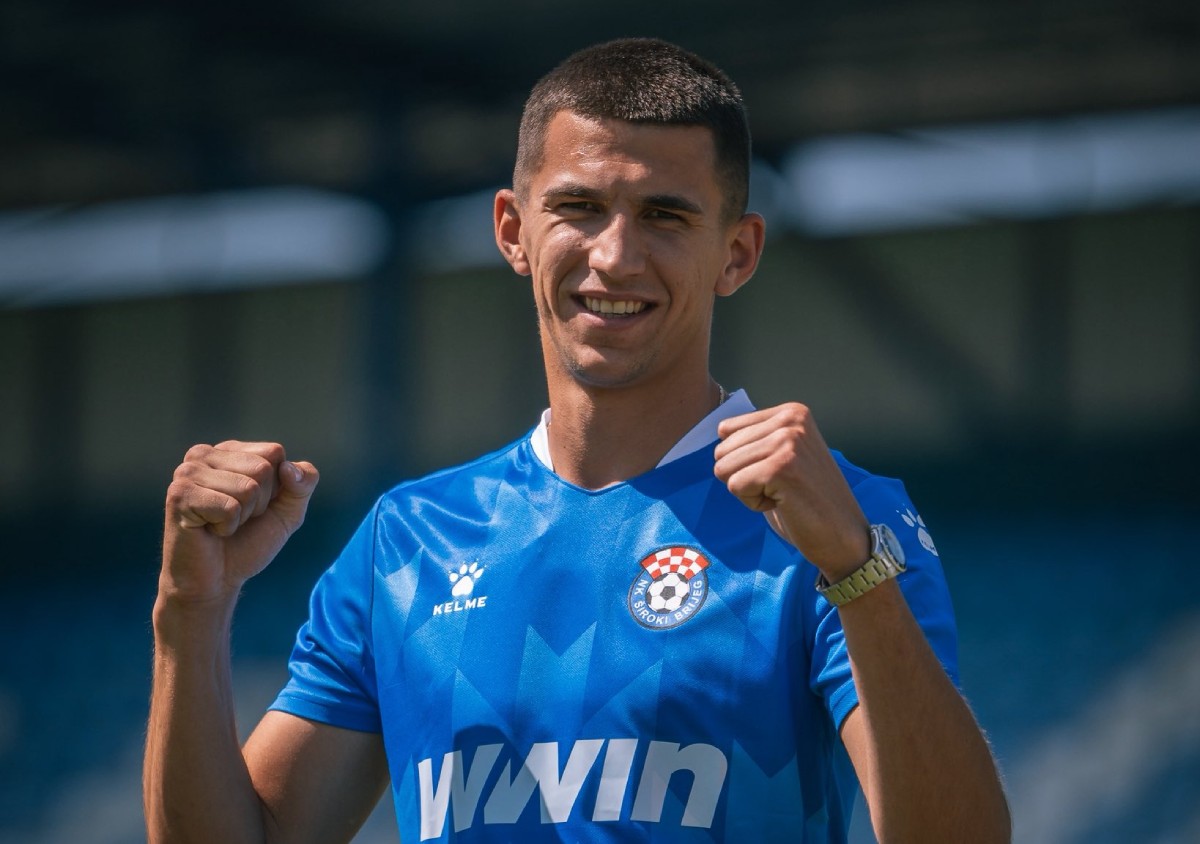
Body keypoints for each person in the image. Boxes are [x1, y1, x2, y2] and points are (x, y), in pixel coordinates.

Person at [144, 38, 1010, 843]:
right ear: (513, 231)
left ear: (738, 253)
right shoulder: (407, 542)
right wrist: (191, 612)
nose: (616, 256)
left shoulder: (835, 523)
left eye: (665, 215)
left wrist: (857, 572)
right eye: (580, 208)